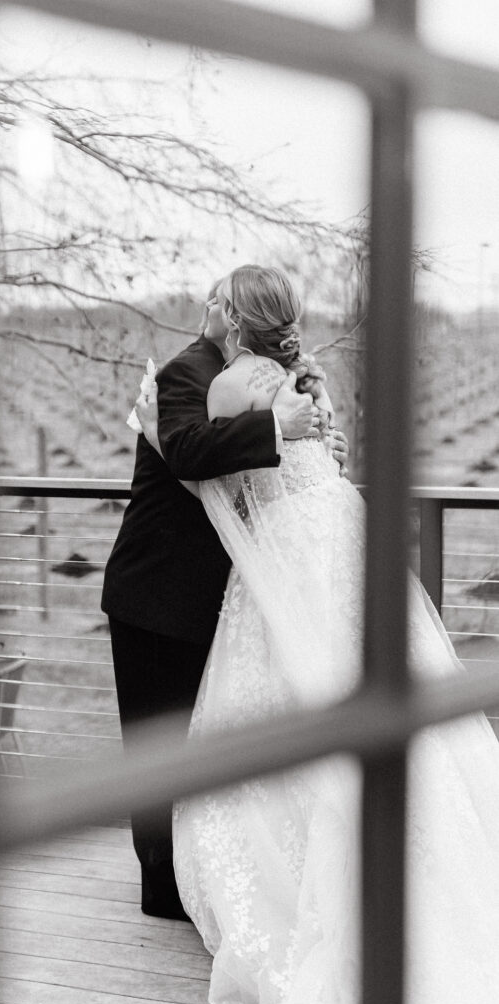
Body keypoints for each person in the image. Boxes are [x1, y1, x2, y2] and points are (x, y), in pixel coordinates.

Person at [136, 264, 499, 1004]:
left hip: (286, 551)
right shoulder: (310, 378)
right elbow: (326, 462)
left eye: (218, 303)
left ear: (234, 320)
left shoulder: (232, 386)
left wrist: (152, 435)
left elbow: (215, 489)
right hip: (337, 531)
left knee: (282, 700)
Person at [101, 273, 349, 920]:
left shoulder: (264, 370)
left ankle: (207, 875)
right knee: (159, 741)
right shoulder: (188, 370)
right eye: (209, 298)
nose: (208, 308)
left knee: (205, 734)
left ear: (236, 316)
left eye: (219, 299)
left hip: (232, 582)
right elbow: (184, 450)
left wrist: (313, 445)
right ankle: (163, 887)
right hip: (161, 586)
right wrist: (275, 429)